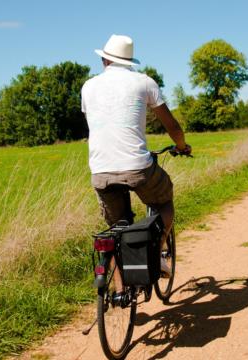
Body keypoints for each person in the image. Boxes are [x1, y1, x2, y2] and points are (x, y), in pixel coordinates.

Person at [81, 34, 191, 293]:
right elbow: (172, 125)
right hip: (137, 167)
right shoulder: (144, 82)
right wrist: (182, 146)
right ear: (129, 60)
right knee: (164, 201)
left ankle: (120, 290)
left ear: (105, 59)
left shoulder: (88, 87)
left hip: (101, 170)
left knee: (116, 229)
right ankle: (157, 253)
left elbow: (101, 123)